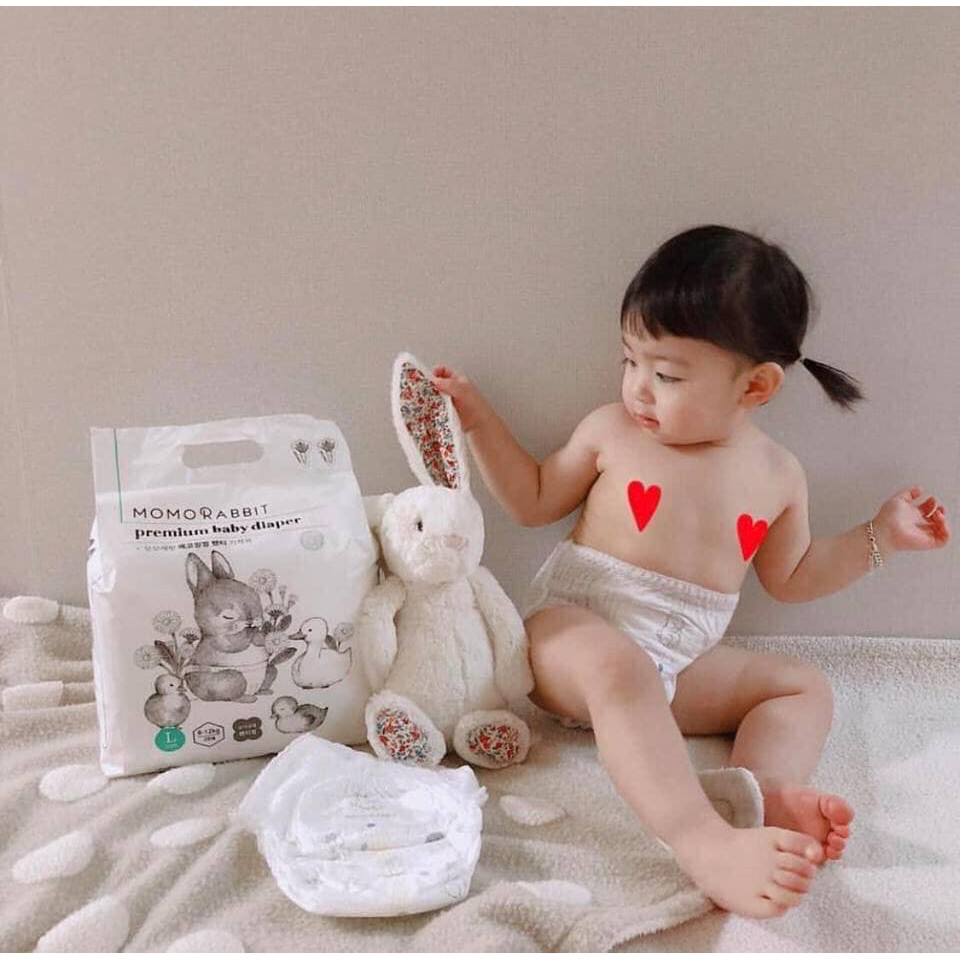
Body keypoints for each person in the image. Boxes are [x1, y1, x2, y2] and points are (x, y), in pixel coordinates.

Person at [431, 224, 951, 919]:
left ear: (756, 385)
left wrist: (877, 537)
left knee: (801, 685)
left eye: (667, 375)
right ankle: (700, 839)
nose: (638, 389)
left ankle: (760, 795)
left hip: (676, 665)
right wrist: (477, 420)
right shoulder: (611, 431)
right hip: (570, 639)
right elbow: (531, 499)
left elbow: (794, 577)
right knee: (619, 668)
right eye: (631, 361)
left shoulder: (777, 475)